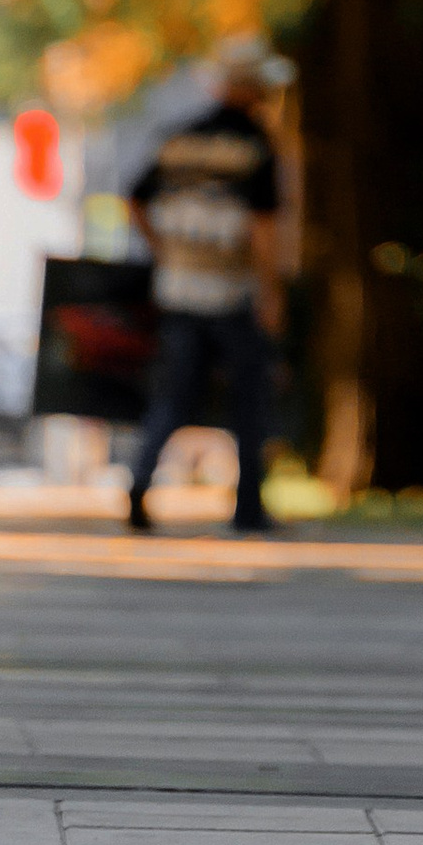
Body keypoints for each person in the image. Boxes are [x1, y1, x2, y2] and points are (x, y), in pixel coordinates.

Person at [124, 40, 292, 536]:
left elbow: (135, 200)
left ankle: (139, 480)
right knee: (249, 399)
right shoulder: (256, 144)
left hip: (178, 286)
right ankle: (248, 507)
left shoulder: (179, 137)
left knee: (172, 397)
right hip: (233, 290)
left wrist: (163, 252)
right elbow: (263, 228)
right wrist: (272, 291)